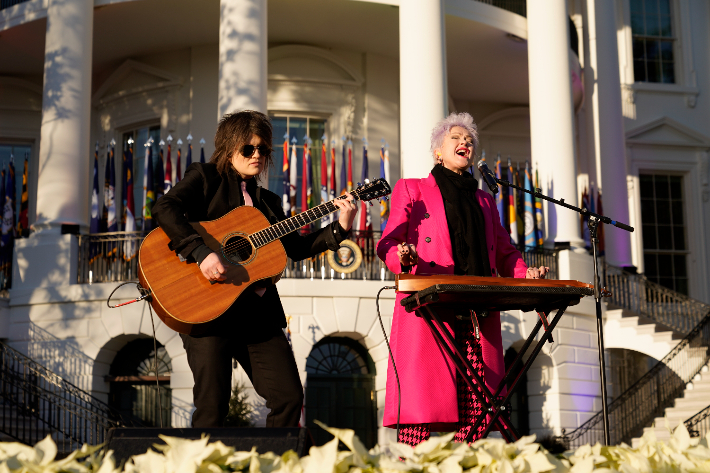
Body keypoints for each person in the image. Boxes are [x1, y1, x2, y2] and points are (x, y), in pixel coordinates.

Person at [153, 110, 358, 428]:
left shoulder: (269, 203)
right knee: (212, 407)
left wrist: (340, 227)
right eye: (248, 149)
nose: (258, 155)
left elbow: (297, 249)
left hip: (256, 316)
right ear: (228, 149)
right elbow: (164, 208)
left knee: (289, 398)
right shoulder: (205, 177)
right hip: (207, 311)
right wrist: (201, 252)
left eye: (263, 149)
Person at [376, 112, 548, 445]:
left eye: (468, 139)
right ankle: (416, 468)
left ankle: (463, 461)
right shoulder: (412, 189)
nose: (464, 142)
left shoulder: (485, 199)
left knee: (478, 406)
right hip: (431, 308)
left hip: (476, 312)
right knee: (425, 408)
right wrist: (401, 255)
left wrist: (525, 272)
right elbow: (388, 242)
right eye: (455, 137)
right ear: (438, 151)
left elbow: (504, 251)